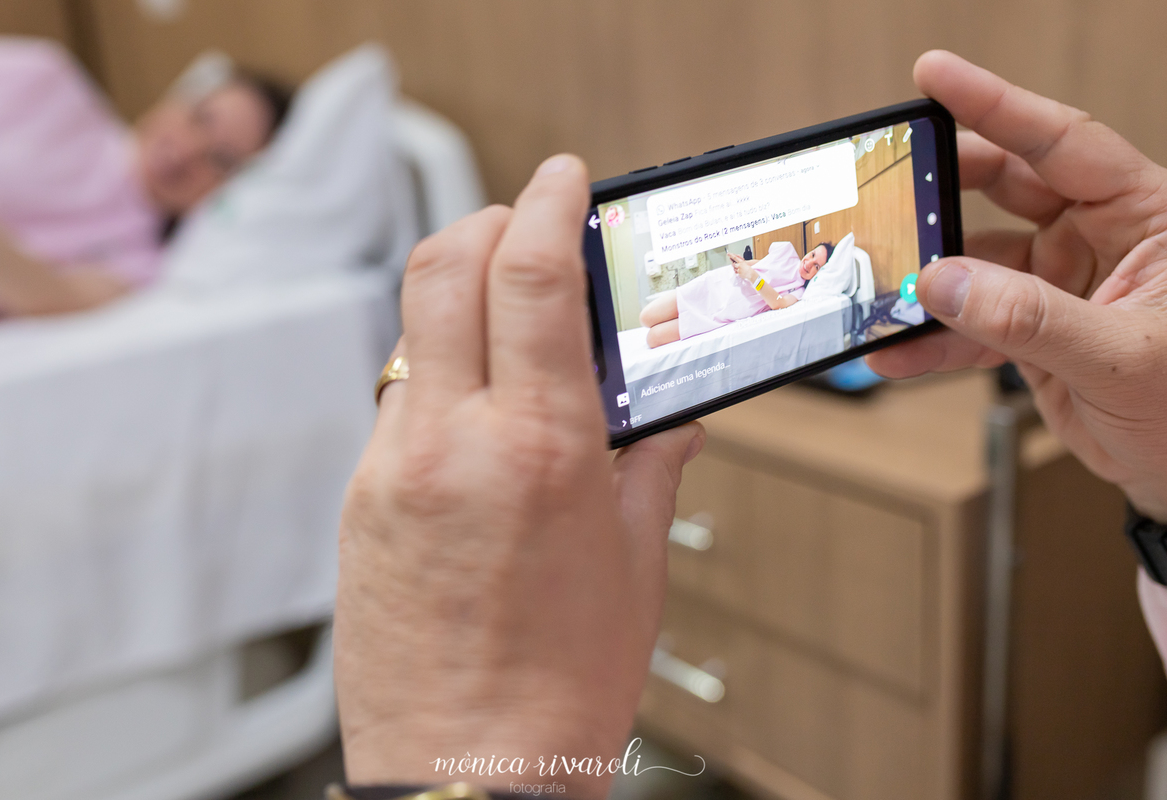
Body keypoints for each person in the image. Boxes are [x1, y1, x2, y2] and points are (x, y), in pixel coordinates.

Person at [333, 49, 1167, 800]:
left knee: (681, 318)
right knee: (680, 307)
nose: (812, 262)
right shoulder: (787, 257)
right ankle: (661, 319)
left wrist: (445, 755)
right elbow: (755, 276)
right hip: (735, 288)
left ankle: (663, 322)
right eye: (810, 258)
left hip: (746, 302)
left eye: (815, 261)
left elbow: (778, 290)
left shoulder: (816, 271)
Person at [0, 37, 291, 324]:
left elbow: (56, 297)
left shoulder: (141, 262)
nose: (188, 150)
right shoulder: (45, 79)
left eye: (221, 160)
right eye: (200, 117)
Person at [638, 240, 832, 348]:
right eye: (813, 255)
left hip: (723, 312)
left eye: (817, 266)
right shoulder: (786, 249)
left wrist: (752, 276)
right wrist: (743, 264)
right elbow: (763, 263)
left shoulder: (798, 292)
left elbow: (777, 303)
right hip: (714, 286)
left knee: (652, 338)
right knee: (645, 317)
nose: (809, 263)